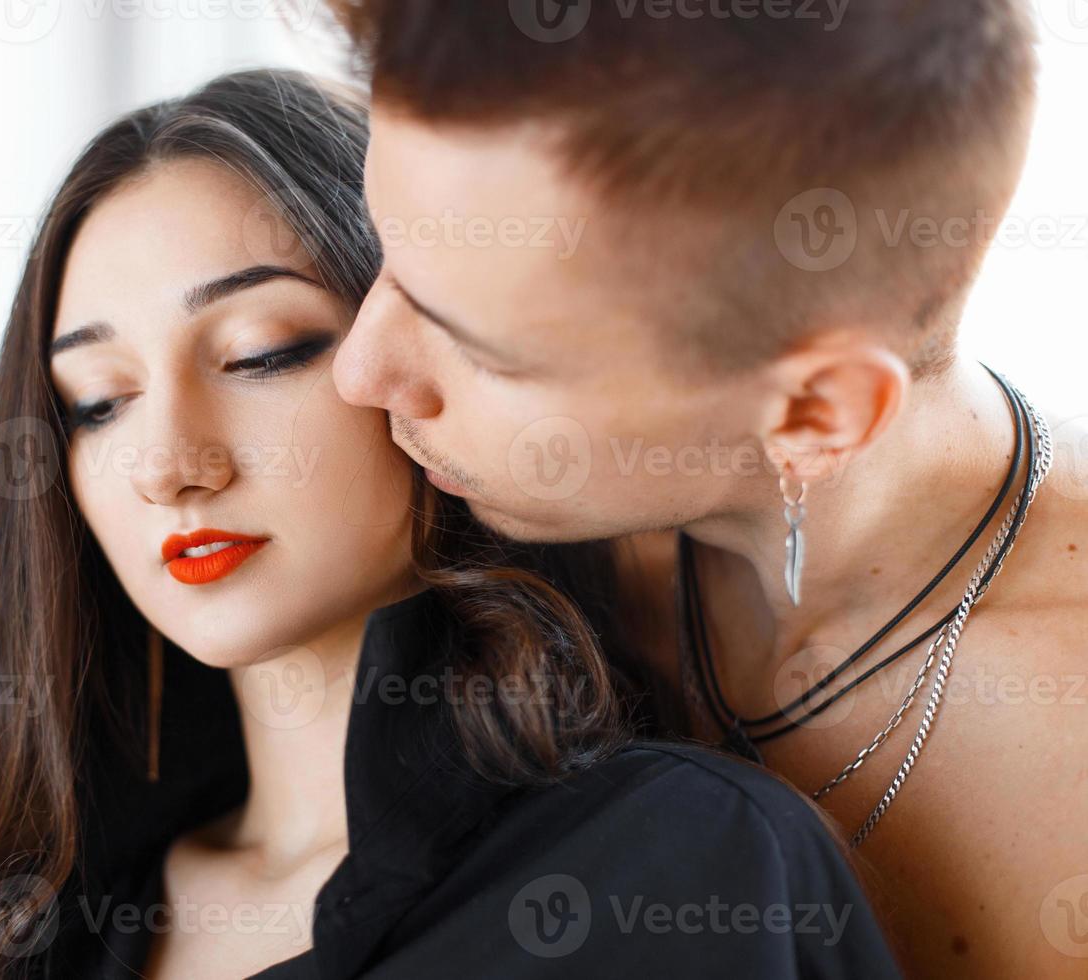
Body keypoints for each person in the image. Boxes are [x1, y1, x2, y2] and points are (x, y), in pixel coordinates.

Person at [0, 69, 899, 979]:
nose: (170, 466)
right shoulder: (25, 915)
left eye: (262, 352)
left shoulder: (686, 860)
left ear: (411, 358)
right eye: (96, 401)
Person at [326, 2, 1088, 976]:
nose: (360, 371)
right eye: (382, 244)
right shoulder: (456, 531)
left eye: (481, 352)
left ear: (816, 411)